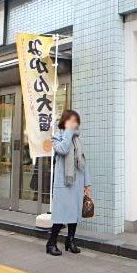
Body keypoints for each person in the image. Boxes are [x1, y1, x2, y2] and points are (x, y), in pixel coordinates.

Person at [45, 109, 91, 256]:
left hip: (77, 183)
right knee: (60, 215)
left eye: (76, 121)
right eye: (72, 121)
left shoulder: (78, 140)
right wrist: (69, 132)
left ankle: (70, 241)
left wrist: (87, 184)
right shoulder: (57, 138)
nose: (75, 124)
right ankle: (51, 243)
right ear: (65, 122)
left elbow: (83, 163)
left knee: (74, 214)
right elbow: (64, 150)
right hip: (64, 184)